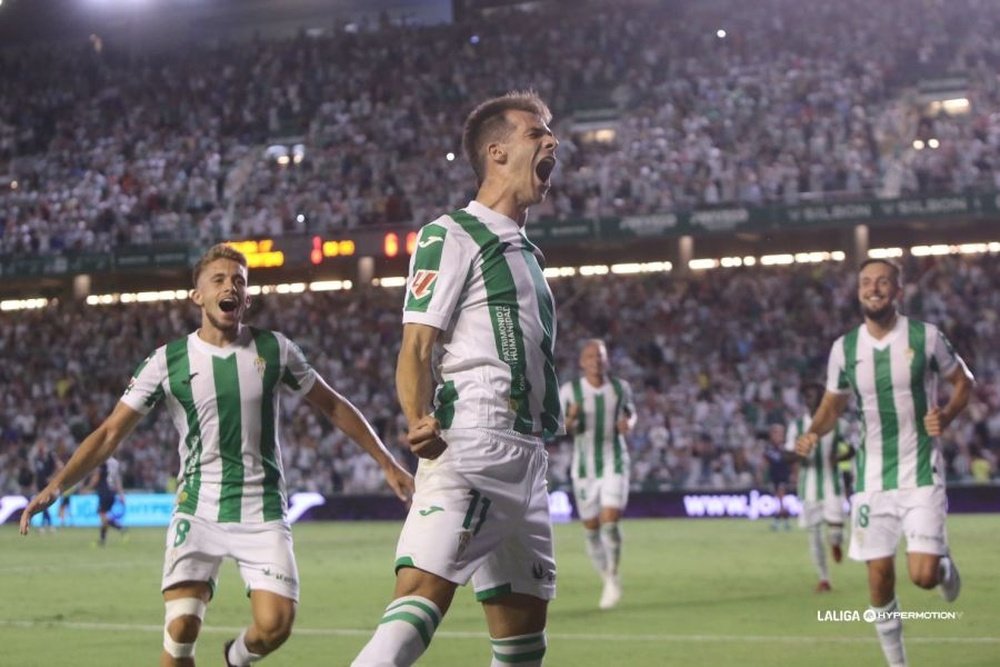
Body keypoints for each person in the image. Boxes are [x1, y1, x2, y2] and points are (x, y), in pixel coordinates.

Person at [20, 243, 415, 667]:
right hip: (198, 508)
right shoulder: (167, 361)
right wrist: (58, 484)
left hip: (261, 507)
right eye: (220, 279)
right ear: (198, 296)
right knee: (181, 629)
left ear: (247, 297)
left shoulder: (276, 350)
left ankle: (236, 657)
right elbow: (111, 432)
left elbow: (334, 405)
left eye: (240, 281)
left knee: (276, 624)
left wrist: (387, 461)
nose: (231, 286)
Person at [352, 90, 562, 667]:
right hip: (474, 442)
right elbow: (417, 344)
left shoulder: (528, 252)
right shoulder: (454, 234)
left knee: (522, 645)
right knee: (417, 604)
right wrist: (419, 418)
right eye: (535, 132)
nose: (552, 140)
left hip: (529, 458)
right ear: (495, 151)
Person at [796, 258, 973, 667]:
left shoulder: (926, 338)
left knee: (923, 576)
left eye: (882, 282)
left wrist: (945, 415)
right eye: (865, 283)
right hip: (871, 479)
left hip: (921, 472)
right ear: (858, 291)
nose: (873, 289)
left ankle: (943, 569)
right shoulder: (845, 349)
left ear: (897, 291)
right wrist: (813, 431)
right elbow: (832, 404)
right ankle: (898, 664)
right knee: (878, 576)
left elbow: (964, 382)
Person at [559, 339, 636, 609]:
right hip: (583, 468)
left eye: (601, 355)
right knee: (591, 529)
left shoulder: (620, 388)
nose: (596, 360)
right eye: (591, 356)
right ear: (582, 362)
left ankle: (613, 575)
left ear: (607, 360)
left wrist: (629, 424)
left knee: (610, 521)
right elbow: (559, 428)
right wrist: (570, 418)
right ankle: (607, 578)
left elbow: (631, 414)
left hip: (615, 461)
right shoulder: (570, 391)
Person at [785, 382, 847, 592]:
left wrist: (839, 456)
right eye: (808, 396)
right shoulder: (797, 426)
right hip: (809, 488)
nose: (812, 400)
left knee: (835, 531)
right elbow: (786, 456)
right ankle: (824, 579)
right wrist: (798, 453)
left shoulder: (838, 424)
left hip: (833, 486)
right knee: (814, 535)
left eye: (816, 396)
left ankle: (836, 542)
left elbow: (853, 448)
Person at [84, 456, 127, 546]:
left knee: (103, 517)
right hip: (112, 492)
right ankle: (103, 540)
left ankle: (121, 528)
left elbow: (96, 477)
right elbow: (117, 480)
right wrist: (121, 494)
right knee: (104, 517)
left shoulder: (102, 461)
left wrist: (87, 488)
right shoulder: (115, 462)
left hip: (104, 492)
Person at [763, 423, 792, 530]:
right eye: (775, 433)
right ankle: (784, 522)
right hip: (773, 477)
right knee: (778, 500)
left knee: (781, 499)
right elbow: (765, 463)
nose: (777, 436)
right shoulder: (769, 448)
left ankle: (779, 521)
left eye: (779, 433)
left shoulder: (786, 448)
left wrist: (793, 475)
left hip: (783, 476)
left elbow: (792, 463)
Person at [29, 441, 62, 532]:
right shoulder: (37, 459)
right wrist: (34, 484)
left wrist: (52, 478)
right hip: (40, 485)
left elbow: (59, 467)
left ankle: (45, 526)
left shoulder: (51, 457)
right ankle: (48, 525)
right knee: (43, 505)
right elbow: (36, 473)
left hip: (48, 485)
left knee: (44, 504)